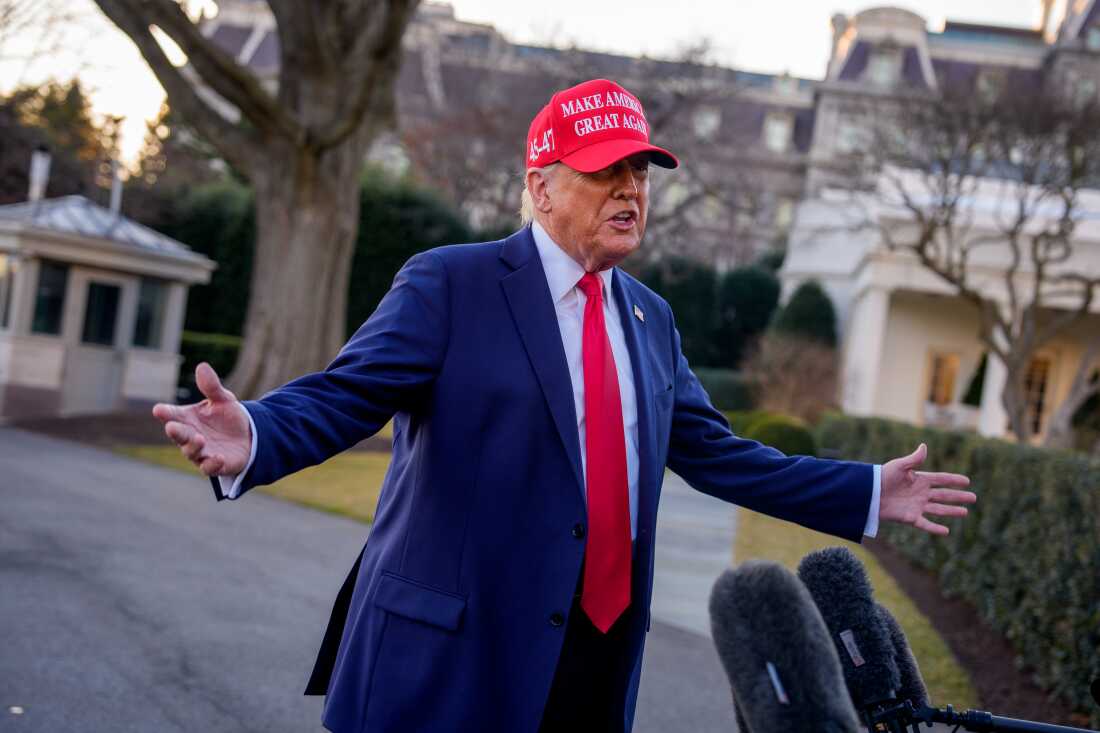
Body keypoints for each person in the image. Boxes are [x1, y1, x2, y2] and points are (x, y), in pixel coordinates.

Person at [153, 78, 975, 733]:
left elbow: (721, 455)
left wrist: (865, 490)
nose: (630, 190)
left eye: (640, 173)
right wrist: (256, 431)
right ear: (541, 188)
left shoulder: (651, 321)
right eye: (605, 171)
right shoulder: (452, 284)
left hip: (593, 658)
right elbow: (345, 395)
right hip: (449, 654)